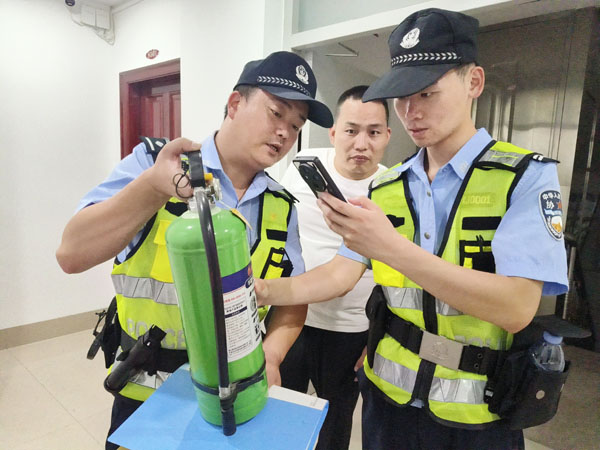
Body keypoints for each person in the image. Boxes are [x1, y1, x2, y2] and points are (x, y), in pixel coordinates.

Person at [256, 9, 569, 450]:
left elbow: (517, 306)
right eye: (402, 96)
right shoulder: (388, 187)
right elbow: (341, 274)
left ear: (473, 82)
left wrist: (390, 247)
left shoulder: (523, 178)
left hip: (479, 413)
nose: (411, 111)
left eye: (427, 93)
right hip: (389, 401)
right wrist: (262, 290)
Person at [56, 51, 333, 450]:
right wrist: (152, 188)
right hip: (149, 398)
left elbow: (292, 298)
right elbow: (71, 254)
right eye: (276, 113)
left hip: (236, 399)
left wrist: (271, 357)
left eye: (295, 125)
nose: (284, 134)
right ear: (235, 104)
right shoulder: (156, 164)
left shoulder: (281, 205)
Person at [278, 85, 391, 450]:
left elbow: (401, 275)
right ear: (333, 133)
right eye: (351, 130)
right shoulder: (302, 166)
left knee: (336, 421)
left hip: (352, 329)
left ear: (388, 136)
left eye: (373, 132)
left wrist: (378, 338)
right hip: (291, 318)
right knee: (282, 412)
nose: (361, 143)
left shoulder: (393, 187)